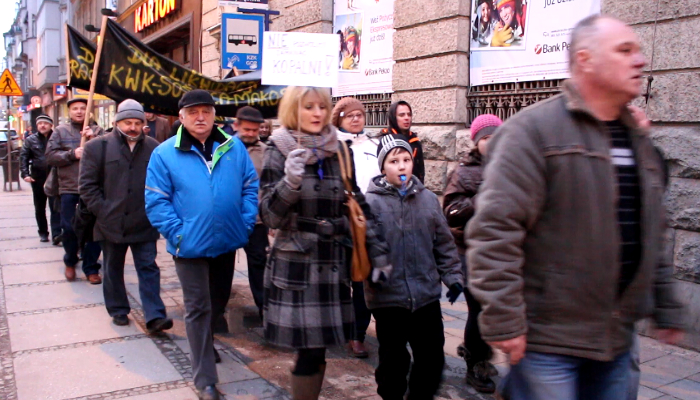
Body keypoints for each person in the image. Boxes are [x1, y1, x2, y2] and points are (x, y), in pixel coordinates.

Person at [466, 15, 685, 400]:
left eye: (637, 50)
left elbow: (652, 230)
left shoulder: (638, 140)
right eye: (624, 50)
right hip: (548, 344)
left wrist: (666, 306)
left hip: (616, 341)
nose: (640, 60)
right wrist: (505, 320)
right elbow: (494, 232)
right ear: (585, 59)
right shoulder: (533, 131)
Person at [260, 86, 391, 400]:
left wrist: (378, 252)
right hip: (296, 265)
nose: (317, 113)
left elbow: (357, 205)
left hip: (331, 263)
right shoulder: (278, 147)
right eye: (308, 107)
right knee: (309, 351)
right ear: (294, 110)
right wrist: (290, 182)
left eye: (321, 106)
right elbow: (269, 216)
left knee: (318, 352)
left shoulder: (339, 149)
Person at [145, 90, 258, 400]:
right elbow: (156, 200)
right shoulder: (165, 153)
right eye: (193, 112)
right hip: (189, 246)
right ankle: (205, 380)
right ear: (181, 117)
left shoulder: (233, 147)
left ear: (214, 116)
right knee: (197, 308)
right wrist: (178, 234)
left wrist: (244, 222)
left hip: (226, 241)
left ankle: (206, 343)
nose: (200, 117)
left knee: (217, 304)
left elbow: (250, 187)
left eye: (206, 111)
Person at [365, 134, 463, 400]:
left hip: (425, 296)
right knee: (393, 364)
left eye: (406, 160)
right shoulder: (370, 204)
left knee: (432, 361)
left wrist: (453, 277)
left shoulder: (428, 200)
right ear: (383, 167)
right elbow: (359, 252)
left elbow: (444, 244)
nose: (401, 166)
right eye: (394, 161)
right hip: (389, 299)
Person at [80, 99, 173, 332]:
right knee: (112, 267)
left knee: (148, 267)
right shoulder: (97, 147)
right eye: (127, 122)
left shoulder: (154, 148)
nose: (132, 128)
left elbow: (164, 182)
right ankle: (118, 309)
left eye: (137, 123)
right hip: (110, 222)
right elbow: (87, 186)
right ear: (117, 122)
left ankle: (155, 315)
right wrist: (103, 210)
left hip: (144, 220)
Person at [443, 114, 502, 394]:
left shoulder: (510, 166)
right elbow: (451, 212)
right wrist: (480, 200)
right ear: (477, 141)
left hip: (501, 253)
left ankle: (480, 354)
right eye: (487, 138)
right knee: (479, 311)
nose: (492, 142)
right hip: (471, 253)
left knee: (492, 311)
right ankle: (475, 364)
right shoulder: (464, 172)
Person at [331, 97, 377, 358]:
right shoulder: (332, 147)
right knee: (338, 282)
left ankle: (357, 334)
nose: (356, 119)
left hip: (366, 223)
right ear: (340, 119)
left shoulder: (374, 145)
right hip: (339, 223)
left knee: (362, 281)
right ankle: (338, 326)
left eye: (359, 114)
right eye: (350, 115)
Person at [46, 98, 104, 284]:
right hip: (69, 187)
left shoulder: (99, 132)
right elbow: (50, 156)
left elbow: (109, 154)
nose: (79, 112)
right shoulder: (60, 131)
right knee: (69, 228)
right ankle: (70, 260)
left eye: (83, 108)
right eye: (75, 109)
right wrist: (72, 154)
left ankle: (91, 267)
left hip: (93, 188)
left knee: (95, 230)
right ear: (69, 112)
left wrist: (94, 140)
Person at [229, 106, 268, 321]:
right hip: (229, 219)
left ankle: (265, 308)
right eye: (247, 129)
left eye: (255, 130)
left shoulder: (266, 151)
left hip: (257, 220)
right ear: (236, 126)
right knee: (223, 265)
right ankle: (218, 307)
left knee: (259, 263)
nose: (251, 133)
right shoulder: (224, 148)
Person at [20, 114, 61, 244]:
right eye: (40, 123)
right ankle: (43, 232)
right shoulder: (30, 140)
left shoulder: (57, 137)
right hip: (37, 177)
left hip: (54, 177)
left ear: (51, 125)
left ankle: (56, 234)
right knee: (39, 207)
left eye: (45, 123)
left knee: (55, 206)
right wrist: (25, 174)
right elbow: (24, 157)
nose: (42, 126)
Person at [379, 101, 425, 183]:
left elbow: (421, 172)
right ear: (393, 117)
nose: (407, 118)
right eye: (402, 115)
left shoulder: (415, 141)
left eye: (409, 114)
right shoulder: (384, 140)